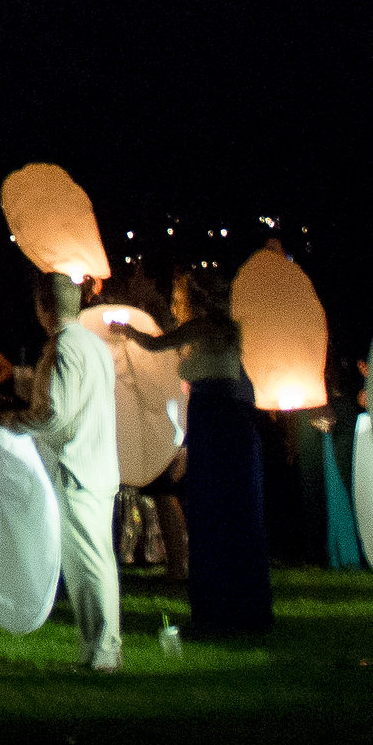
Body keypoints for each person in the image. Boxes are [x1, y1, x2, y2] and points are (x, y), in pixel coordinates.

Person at [124, 265, 270, 631]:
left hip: (214, 415)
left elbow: (155, 344)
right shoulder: (227, 330)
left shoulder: (204, 326)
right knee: (234, 509)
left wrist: (125, 329)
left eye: (178, 297)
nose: (176, 304)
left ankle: (219, 607)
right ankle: (243, 604)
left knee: (212, 507)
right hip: (228, 416)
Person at [1, 270, 123, 671]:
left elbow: (55, 413)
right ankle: (100, 646)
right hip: (98, 463)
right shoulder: (93, 345)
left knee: (87, 563)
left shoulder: (64, 346)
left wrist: (14, 422)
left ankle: (101, 650)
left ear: (43, 306)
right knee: (97, 560)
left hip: (76, 467)